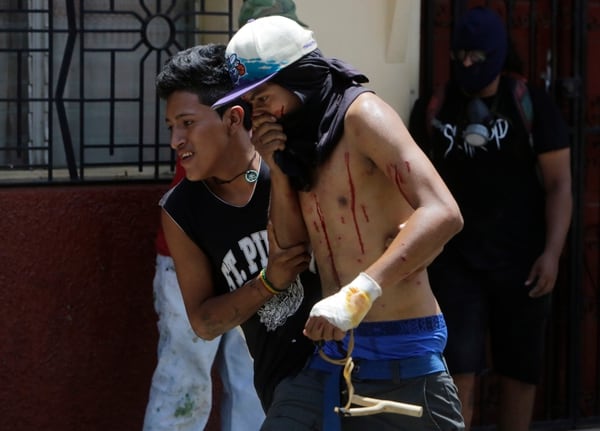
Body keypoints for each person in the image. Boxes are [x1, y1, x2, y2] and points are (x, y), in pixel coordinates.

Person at [213, 15, 466, 430]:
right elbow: (291, 252)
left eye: (263, 98)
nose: (258, 115)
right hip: (331, 356)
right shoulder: (298, 145)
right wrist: (277, 170)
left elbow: (443, 212)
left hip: (403, 352)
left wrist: (358, 294)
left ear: (300, 79)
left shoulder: (363, 116)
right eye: (250, 104)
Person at [407, 7, 572, 431]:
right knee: (456, 372)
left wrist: (552, 253)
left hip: (522, 262)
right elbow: (409, 187)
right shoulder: (435, 106)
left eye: (477, 58)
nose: (466, 66)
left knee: (519, 372)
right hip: (455, 263)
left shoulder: (531, 104)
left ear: (497, 56)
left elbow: (558, 185)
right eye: (459, 56)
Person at [155, 42, 321, 423]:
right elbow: (203, 322)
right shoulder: (181, 211)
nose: (175, 140)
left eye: (188, 123)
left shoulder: (297, 161)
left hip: (343, 368)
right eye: (172, 126)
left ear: (232, 118)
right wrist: (268, 282)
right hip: (279, 385)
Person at [143, 158, 265, 431]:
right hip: (193, 259)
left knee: (253, 384)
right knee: (184, 384)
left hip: (254, 255)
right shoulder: (206, 124)